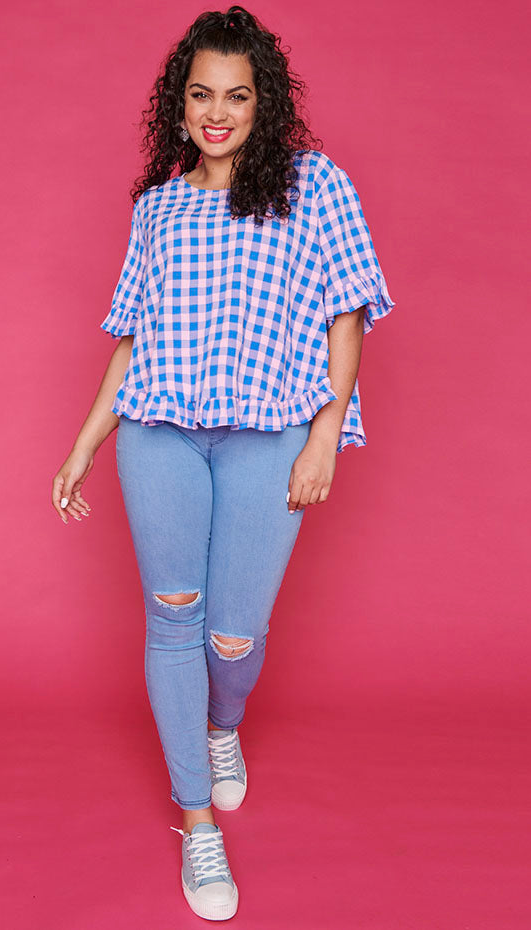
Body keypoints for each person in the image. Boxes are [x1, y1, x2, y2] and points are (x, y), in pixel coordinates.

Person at [52, 5, 396, 922]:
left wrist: (326, 433)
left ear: (261, 102)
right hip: (159, 432)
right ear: (180, 103)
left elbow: (349, 312)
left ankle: (223, 725)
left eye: (236, 96)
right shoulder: (159, 207)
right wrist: (85, 443)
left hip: (270, 432)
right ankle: (197, 820)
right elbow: (133, 339)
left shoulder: (315, 185)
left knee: (232, 636)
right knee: (173, 622)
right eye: (201, 94)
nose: (217, 113)